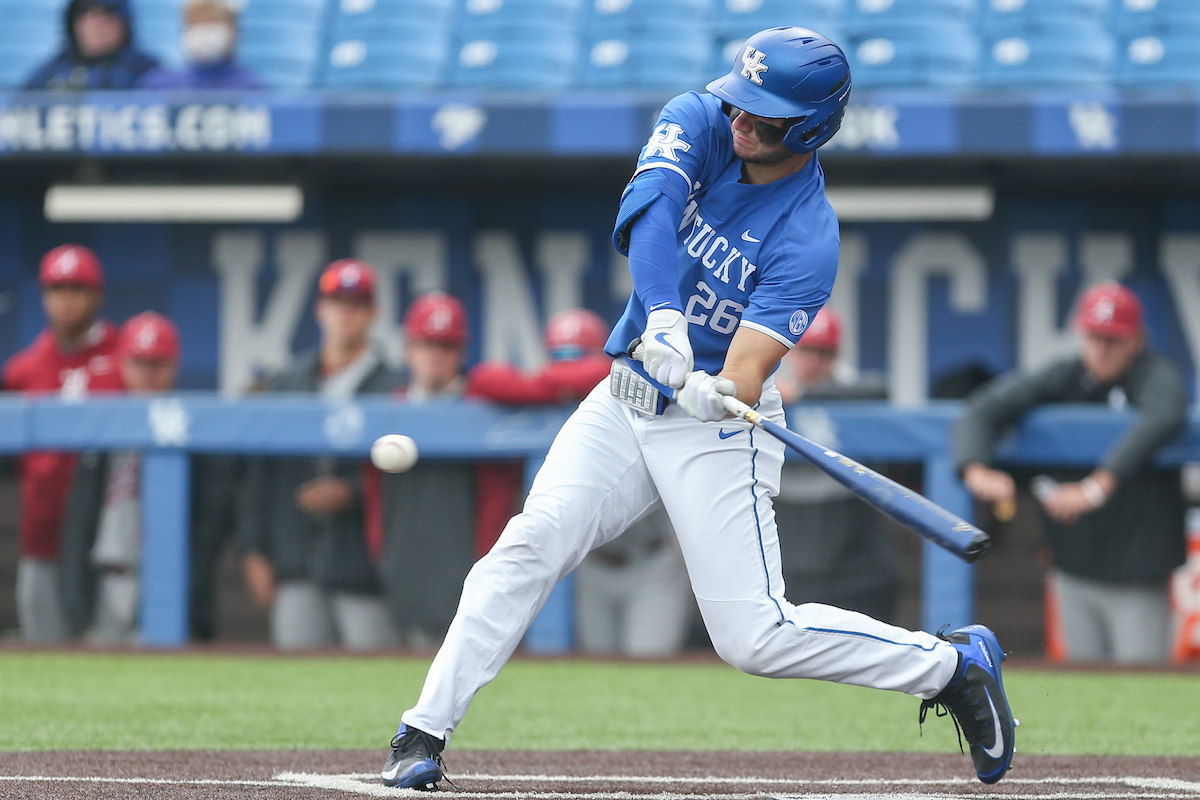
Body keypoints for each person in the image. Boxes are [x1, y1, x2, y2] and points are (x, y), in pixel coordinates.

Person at [380, 27, 1015, 791]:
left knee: (754, 637)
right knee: (528, 546)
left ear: (811, 129)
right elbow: (651, 214)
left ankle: (949, 666)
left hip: (713, 428)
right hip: (623, 399)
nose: (742, 121)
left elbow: (747, 370)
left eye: (765, 118)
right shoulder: (704, 115)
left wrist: (716, 387)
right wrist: (665, 320)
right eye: (742, 104)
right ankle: (421, 733)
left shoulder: (807, 236)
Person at [956, 281, 1188, 664]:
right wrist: (976, 469)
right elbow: (982, 409)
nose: (1102, 348)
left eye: (1114, 339)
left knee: (1142, 683)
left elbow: (1166, 413)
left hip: (1138, 569)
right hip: (1074, 565)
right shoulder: (1067, 375)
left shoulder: (1155, 373)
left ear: (1136, 340)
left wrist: (1096, 487)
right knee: (1081, 680)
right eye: (1095, 337)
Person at [469, 309, 694, 657]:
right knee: (597, 667)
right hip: (594, 564)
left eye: (578, 358)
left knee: (651, 668)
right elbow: (483, 379)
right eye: (560, 358)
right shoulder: (544, 403)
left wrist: (551, 382)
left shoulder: (637, 383)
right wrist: (551, 385)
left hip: (651, 559)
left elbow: (597, 373)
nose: (569, 368)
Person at [238, 259, 400, 650]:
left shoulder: (393, 387)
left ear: (373, 313)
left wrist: (353, 492)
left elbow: (404, 485)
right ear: (320, 309)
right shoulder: (287, 381)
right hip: (296, 558)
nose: (346, 313)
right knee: (296, 682)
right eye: (337, 302)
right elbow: (259, 473)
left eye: (357, 304)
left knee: (373, 679)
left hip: (363, 564)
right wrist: (253, 549)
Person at [2, 244, 123, 642]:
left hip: (109, 544)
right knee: (47, 657)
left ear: (97, 295)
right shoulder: (22, 369)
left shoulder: (126, 359)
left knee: (114, 662)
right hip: (44, 537)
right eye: (57, 289)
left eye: (77, 288)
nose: (67, 300)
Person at [370, 292, 482, 648]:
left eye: (446, 346)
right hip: (402, 568)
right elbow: (374, 498)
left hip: (469, 569)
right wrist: (382, 556)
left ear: (461, 353)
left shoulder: (482, 409)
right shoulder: (387, 410)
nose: (435, 355)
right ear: (407, 350)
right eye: (425, 344)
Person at [772, 309, 898, 623]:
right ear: (791, 350)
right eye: (806, 350)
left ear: (835, 355)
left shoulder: (851, 385)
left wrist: (802, 394)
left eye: (823, 353)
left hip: (847, 530)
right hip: (786, 520)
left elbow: (878, 390)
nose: (813, 361)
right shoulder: (766, 382)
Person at [24, 0, 159, 91]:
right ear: (73, 24)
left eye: (107, 16)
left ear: (125, 23)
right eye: (87, 16)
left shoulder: (146, 71)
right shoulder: (51, 73)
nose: (98, 24)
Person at [138, 0, 262, 90]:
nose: (204, 31)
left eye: (212, 22)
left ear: (232, 31)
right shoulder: (158, 85)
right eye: (196, 23)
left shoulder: (250, 88)